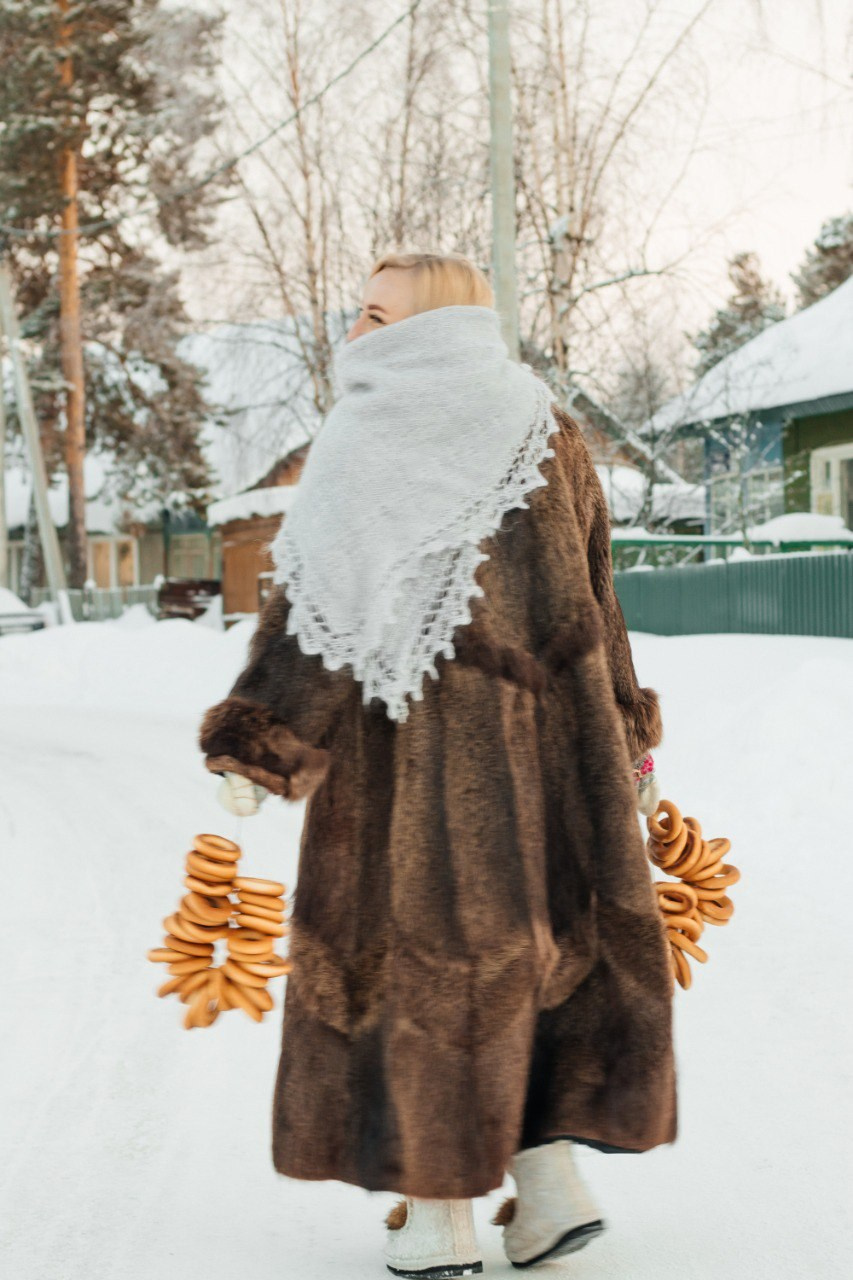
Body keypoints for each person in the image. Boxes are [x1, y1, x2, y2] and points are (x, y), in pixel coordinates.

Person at [198, 251, 674, 1278]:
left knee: (427, 970)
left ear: (431, 328)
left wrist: (260, 736)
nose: (355, 333)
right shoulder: (549, 429)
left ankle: (439, 1216)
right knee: (539, 957)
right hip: (557, 764)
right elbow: (600, 598)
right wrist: (624, 733)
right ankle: (549, 1189)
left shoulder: (366, 436)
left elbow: (316, 622)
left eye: (375, 315)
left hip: (410, 767)